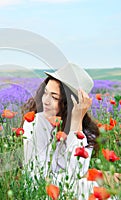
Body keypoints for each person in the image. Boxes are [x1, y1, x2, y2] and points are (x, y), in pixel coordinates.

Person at [21, 63, 101, 199]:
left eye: (54, 97)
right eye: (45, 93)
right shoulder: (34, 124)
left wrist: (76, 123)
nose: (45, 101)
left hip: (70, 189)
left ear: (71, 103)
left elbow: (78, 171)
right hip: (41, 192)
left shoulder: (87, 132)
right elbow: (37, 179)